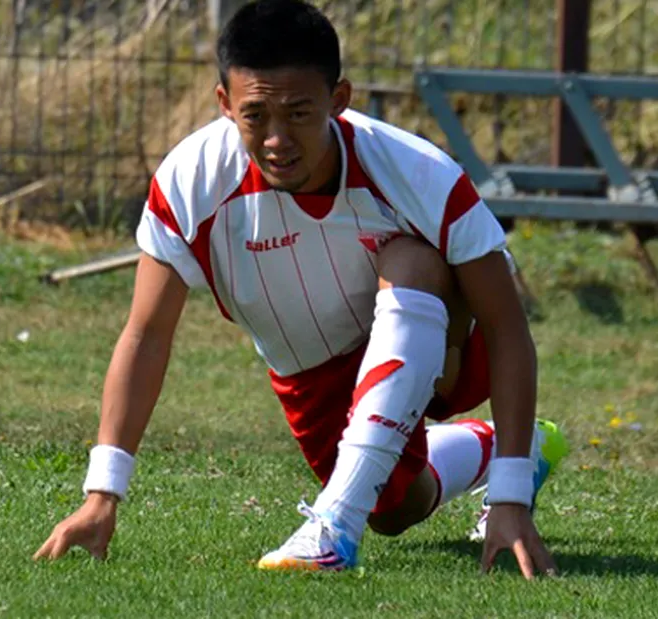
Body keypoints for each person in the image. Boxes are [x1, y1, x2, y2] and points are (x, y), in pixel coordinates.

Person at [33, 0, 568, 578]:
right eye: (255, 115)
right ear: (224, 104)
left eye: (298, 113)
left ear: (339, 101)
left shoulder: (417, 171)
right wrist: (101, 493)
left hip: (449, 343)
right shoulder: (189, 182)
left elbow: (507, 324)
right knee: (395, 509)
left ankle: (332, 528)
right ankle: (502, 446)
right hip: (309, 368)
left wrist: (509, 498)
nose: (276, 139)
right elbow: (146, 334)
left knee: (412, 260)